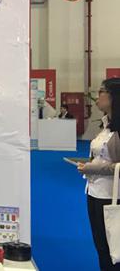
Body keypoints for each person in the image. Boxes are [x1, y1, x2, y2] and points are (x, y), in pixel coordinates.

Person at [78, 78, 120, 270]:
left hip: (113, 195)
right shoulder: (104, 125)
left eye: (101, 91)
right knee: (101, 247)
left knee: (114, 249)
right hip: (94, 191)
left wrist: (94, 168)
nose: (97, 96)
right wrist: (89, 165)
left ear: (114, 96)